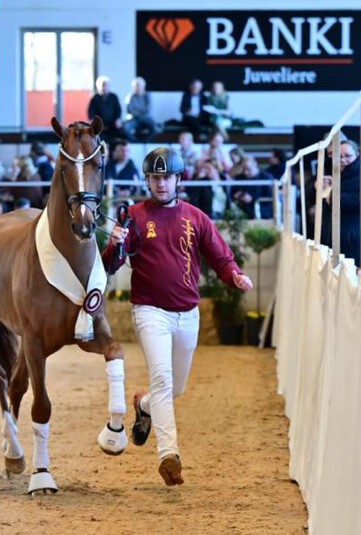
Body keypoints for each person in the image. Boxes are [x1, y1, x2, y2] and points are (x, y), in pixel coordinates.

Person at [102, 147, 253, 487]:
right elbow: (110, 265)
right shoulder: (134, 217)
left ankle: (145, 406)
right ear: (148, 180)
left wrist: (235, 277)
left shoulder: (196, 218)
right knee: (164, 381)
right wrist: (115, 243)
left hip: (188, 313)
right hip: (149, 311)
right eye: (155, 177)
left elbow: (221, 259)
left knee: (176, 388)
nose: (161, 183)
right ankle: (168, 455)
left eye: (167, 177)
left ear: (178, 179)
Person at [319, 138, 361, 267]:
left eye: (347, 156)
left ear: (357, 154)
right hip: (339, 240)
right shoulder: (331, 172)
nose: (343, 160)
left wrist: (334, 197)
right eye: (338, 156)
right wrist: (318, 187)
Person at [123, 77, 157, 142]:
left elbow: (147, 109)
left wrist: (136, 110)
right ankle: (135, 142)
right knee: (126, 128)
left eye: (139, 86)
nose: (138, 88)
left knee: (156, 128)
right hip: (134, 119)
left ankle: (145, 142)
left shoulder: (148, 95)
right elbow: (129, 110)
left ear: (144, 86)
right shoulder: (130, 96)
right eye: (136, 86)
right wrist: (140, 111)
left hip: (146, 119)